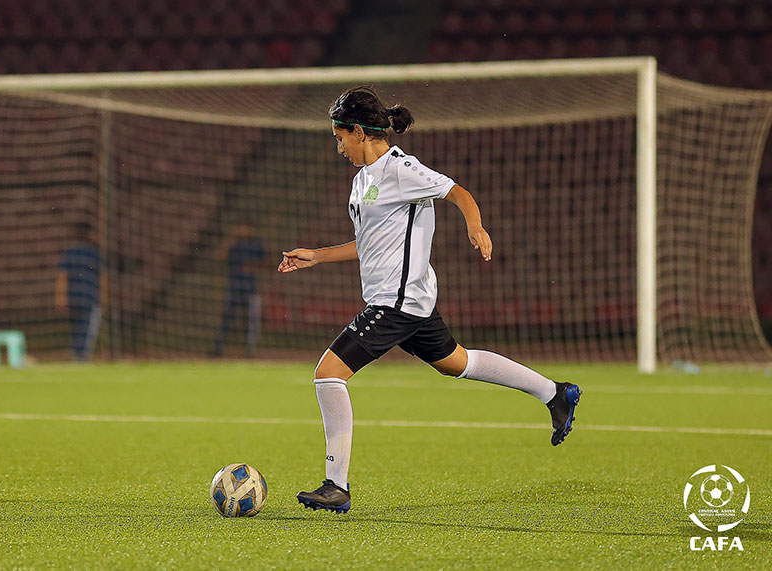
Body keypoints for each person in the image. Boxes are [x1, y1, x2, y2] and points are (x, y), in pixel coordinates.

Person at [278, 87, 582, 513]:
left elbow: (458, 192)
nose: (339, 147)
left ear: (359, 132)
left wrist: (475, 226)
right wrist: (317, 256)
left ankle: (336, 485)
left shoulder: (401, 168)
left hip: (396, 302)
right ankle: (556, 393)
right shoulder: (362, 181)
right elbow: (369, 242)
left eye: (339, 137)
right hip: (409, 300)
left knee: (328, 373)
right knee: (457, 362)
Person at [55, 221, 106, 361]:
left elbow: (62, 276)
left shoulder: (69, 253)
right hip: (90, 297)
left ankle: (76, 355)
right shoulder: (94, 253)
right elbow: (103, 277)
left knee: (76, 328)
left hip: (73, 296)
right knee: (88, 329)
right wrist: (104, 297)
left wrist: (60, 297)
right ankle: (82, 357)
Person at [213, 223, 265, 357]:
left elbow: (266, 262)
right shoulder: (233, 243)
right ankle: (218, 347)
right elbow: (219, 256)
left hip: (251, 286)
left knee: (251, 319)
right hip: (234, 285)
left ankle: (250, 349)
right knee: (228, 316)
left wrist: (252, 266)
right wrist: (230, 240)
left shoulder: (255, 244)